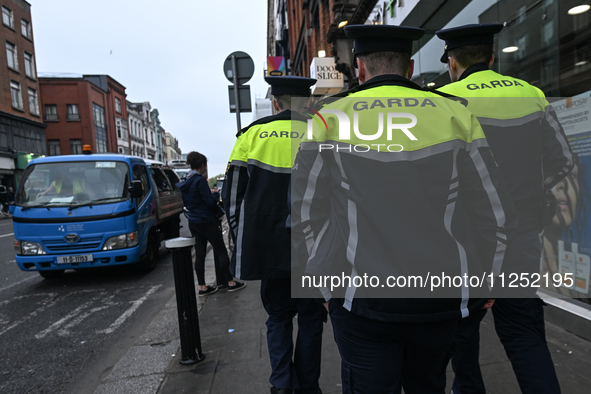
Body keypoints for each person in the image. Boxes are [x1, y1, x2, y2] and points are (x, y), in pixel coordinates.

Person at [290, 24, 517, 393]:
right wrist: (490, 277)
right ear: (409, 68)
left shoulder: (327, 119)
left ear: (360, 69)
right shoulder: (454, 114)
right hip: (439, 301)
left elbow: (304, 214)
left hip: (359, 302)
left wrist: (324, 285)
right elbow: (493, 210)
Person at [436, 23, 574, 394]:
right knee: (524, 334)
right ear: (492, 57)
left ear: (452, 60)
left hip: (463, 240)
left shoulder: (443, 100)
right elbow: (562, 161)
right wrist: (526, 192)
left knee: (461, 334)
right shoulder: (532, 94)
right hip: (521, 235)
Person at [222, 76, 326, 394]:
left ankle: (282, 385)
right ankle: (308, 386)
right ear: (307, 103)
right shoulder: (325, 132)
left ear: (276, 103)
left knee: (278, 318)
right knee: (311, 319)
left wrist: (246, 241)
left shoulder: (250, 136)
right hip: (313, 252)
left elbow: (231, 198)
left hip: (268, 252)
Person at [177, 151, 245, 296]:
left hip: (193, 221)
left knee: (200, 254)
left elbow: (187, 202)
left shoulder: (184, 181)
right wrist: (215, 194)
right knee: (221, 250)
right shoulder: (199, 180)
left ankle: (202, 287)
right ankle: (230, 282)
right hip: (206, 220)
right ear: (202, 165)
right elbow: (208, 201)